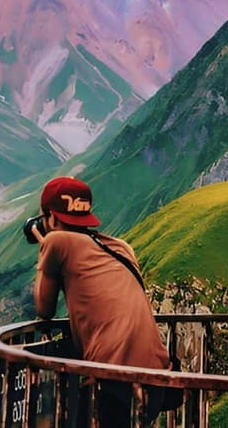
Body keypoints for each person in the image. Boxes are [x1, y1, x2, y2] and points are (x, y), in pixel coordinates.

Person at [30, 176, 170, 427]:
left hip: (112, 379)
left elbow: (44, 309)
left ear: (50, 216)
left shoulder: (56, 242)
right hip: (156, 377)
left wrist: (44, 249)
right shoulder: (121, 246)